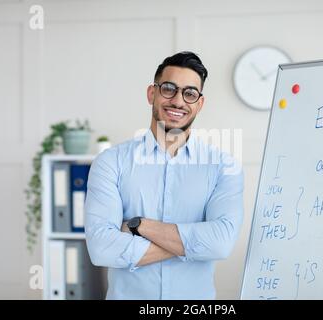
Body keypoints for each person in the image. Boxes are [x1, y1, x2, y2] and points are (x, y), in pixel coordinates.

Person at [84, 51, 244, 299]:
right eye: (169, 89)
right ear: (152, 93)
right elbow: (101, 248)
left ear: (199, 104)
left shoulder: (224, 167)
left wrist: (139, 226)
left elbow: (221, 244)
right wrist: (196, 240)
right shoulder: (110, 163)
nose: (178, 101)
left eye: (189, 93)